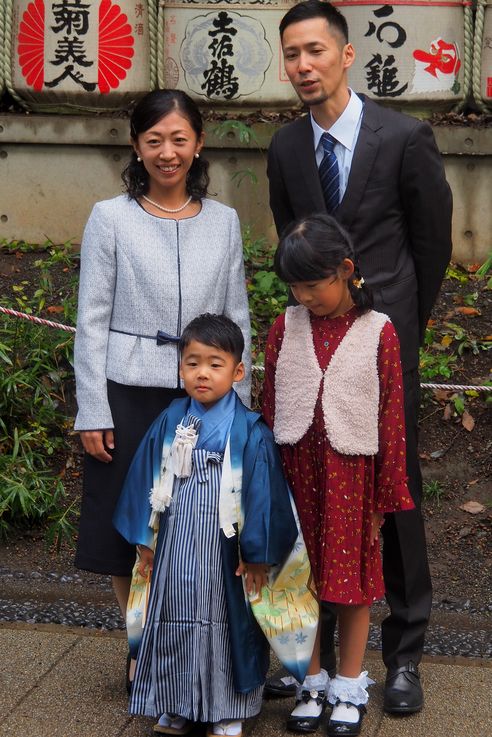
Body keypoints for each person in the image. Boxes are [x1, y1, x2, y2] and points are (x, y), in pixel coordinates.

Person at [265, 0, 453, 714]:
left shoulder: (405, 137)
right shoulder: (285, 148)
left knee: (391, 491)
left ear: (346, 55)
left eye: (315, 50)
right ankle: (307, 653)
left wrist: (401, 321)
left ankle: (404, 652)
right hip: (315, 344)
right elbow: (295, 240)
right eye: (291, 55)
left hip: (383, 340)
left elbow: (432, 242)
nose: (303, 66)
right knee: (309, 488)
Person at [73, 90, 252, 689]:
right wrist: (91, 407)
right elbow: (91, 318)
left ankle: (202, 645)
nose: (167, 153)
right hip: (128, 391)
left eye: (179, 140)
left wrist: (242, 409)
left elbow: (237, 314)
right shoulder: (110, 216)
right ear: (136, 145)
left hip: (205, 398)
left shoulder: (223, 221)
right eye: (155, 140)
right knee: (127, 527)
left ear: (198, 144)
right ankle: (140, 645)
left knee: (199, 528)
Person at [262, 214, 415, 736]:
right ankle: (310, 679)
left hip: (352, 477)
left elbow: (392, 418)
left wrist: (382, 500)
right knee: (299, 580)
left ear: (346, 270)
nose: (304, 297)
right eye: (295, 287)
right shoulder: (286, 326)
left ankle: (349, 684)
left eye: (314, 284)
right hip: (295, 474)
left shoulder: (380, 332)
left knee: (352, 585)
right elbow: (270, 403)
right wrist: (265, 482)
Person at [113, 313, 299, 736]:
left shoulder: (250, 431)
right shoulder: (170, 419)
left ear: (237, 372)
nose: (202, 373)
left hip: (224, 549)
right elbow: (144, 474)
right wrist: (145, 535)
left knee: (222, 624)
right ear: (180, 368)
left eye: (215, 364)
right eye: (192, 362)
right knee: (172, 614)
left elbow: (263, 497)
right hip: (177, 541)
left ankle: (227, 709)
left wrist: (257, 555)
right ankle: (176, 703)